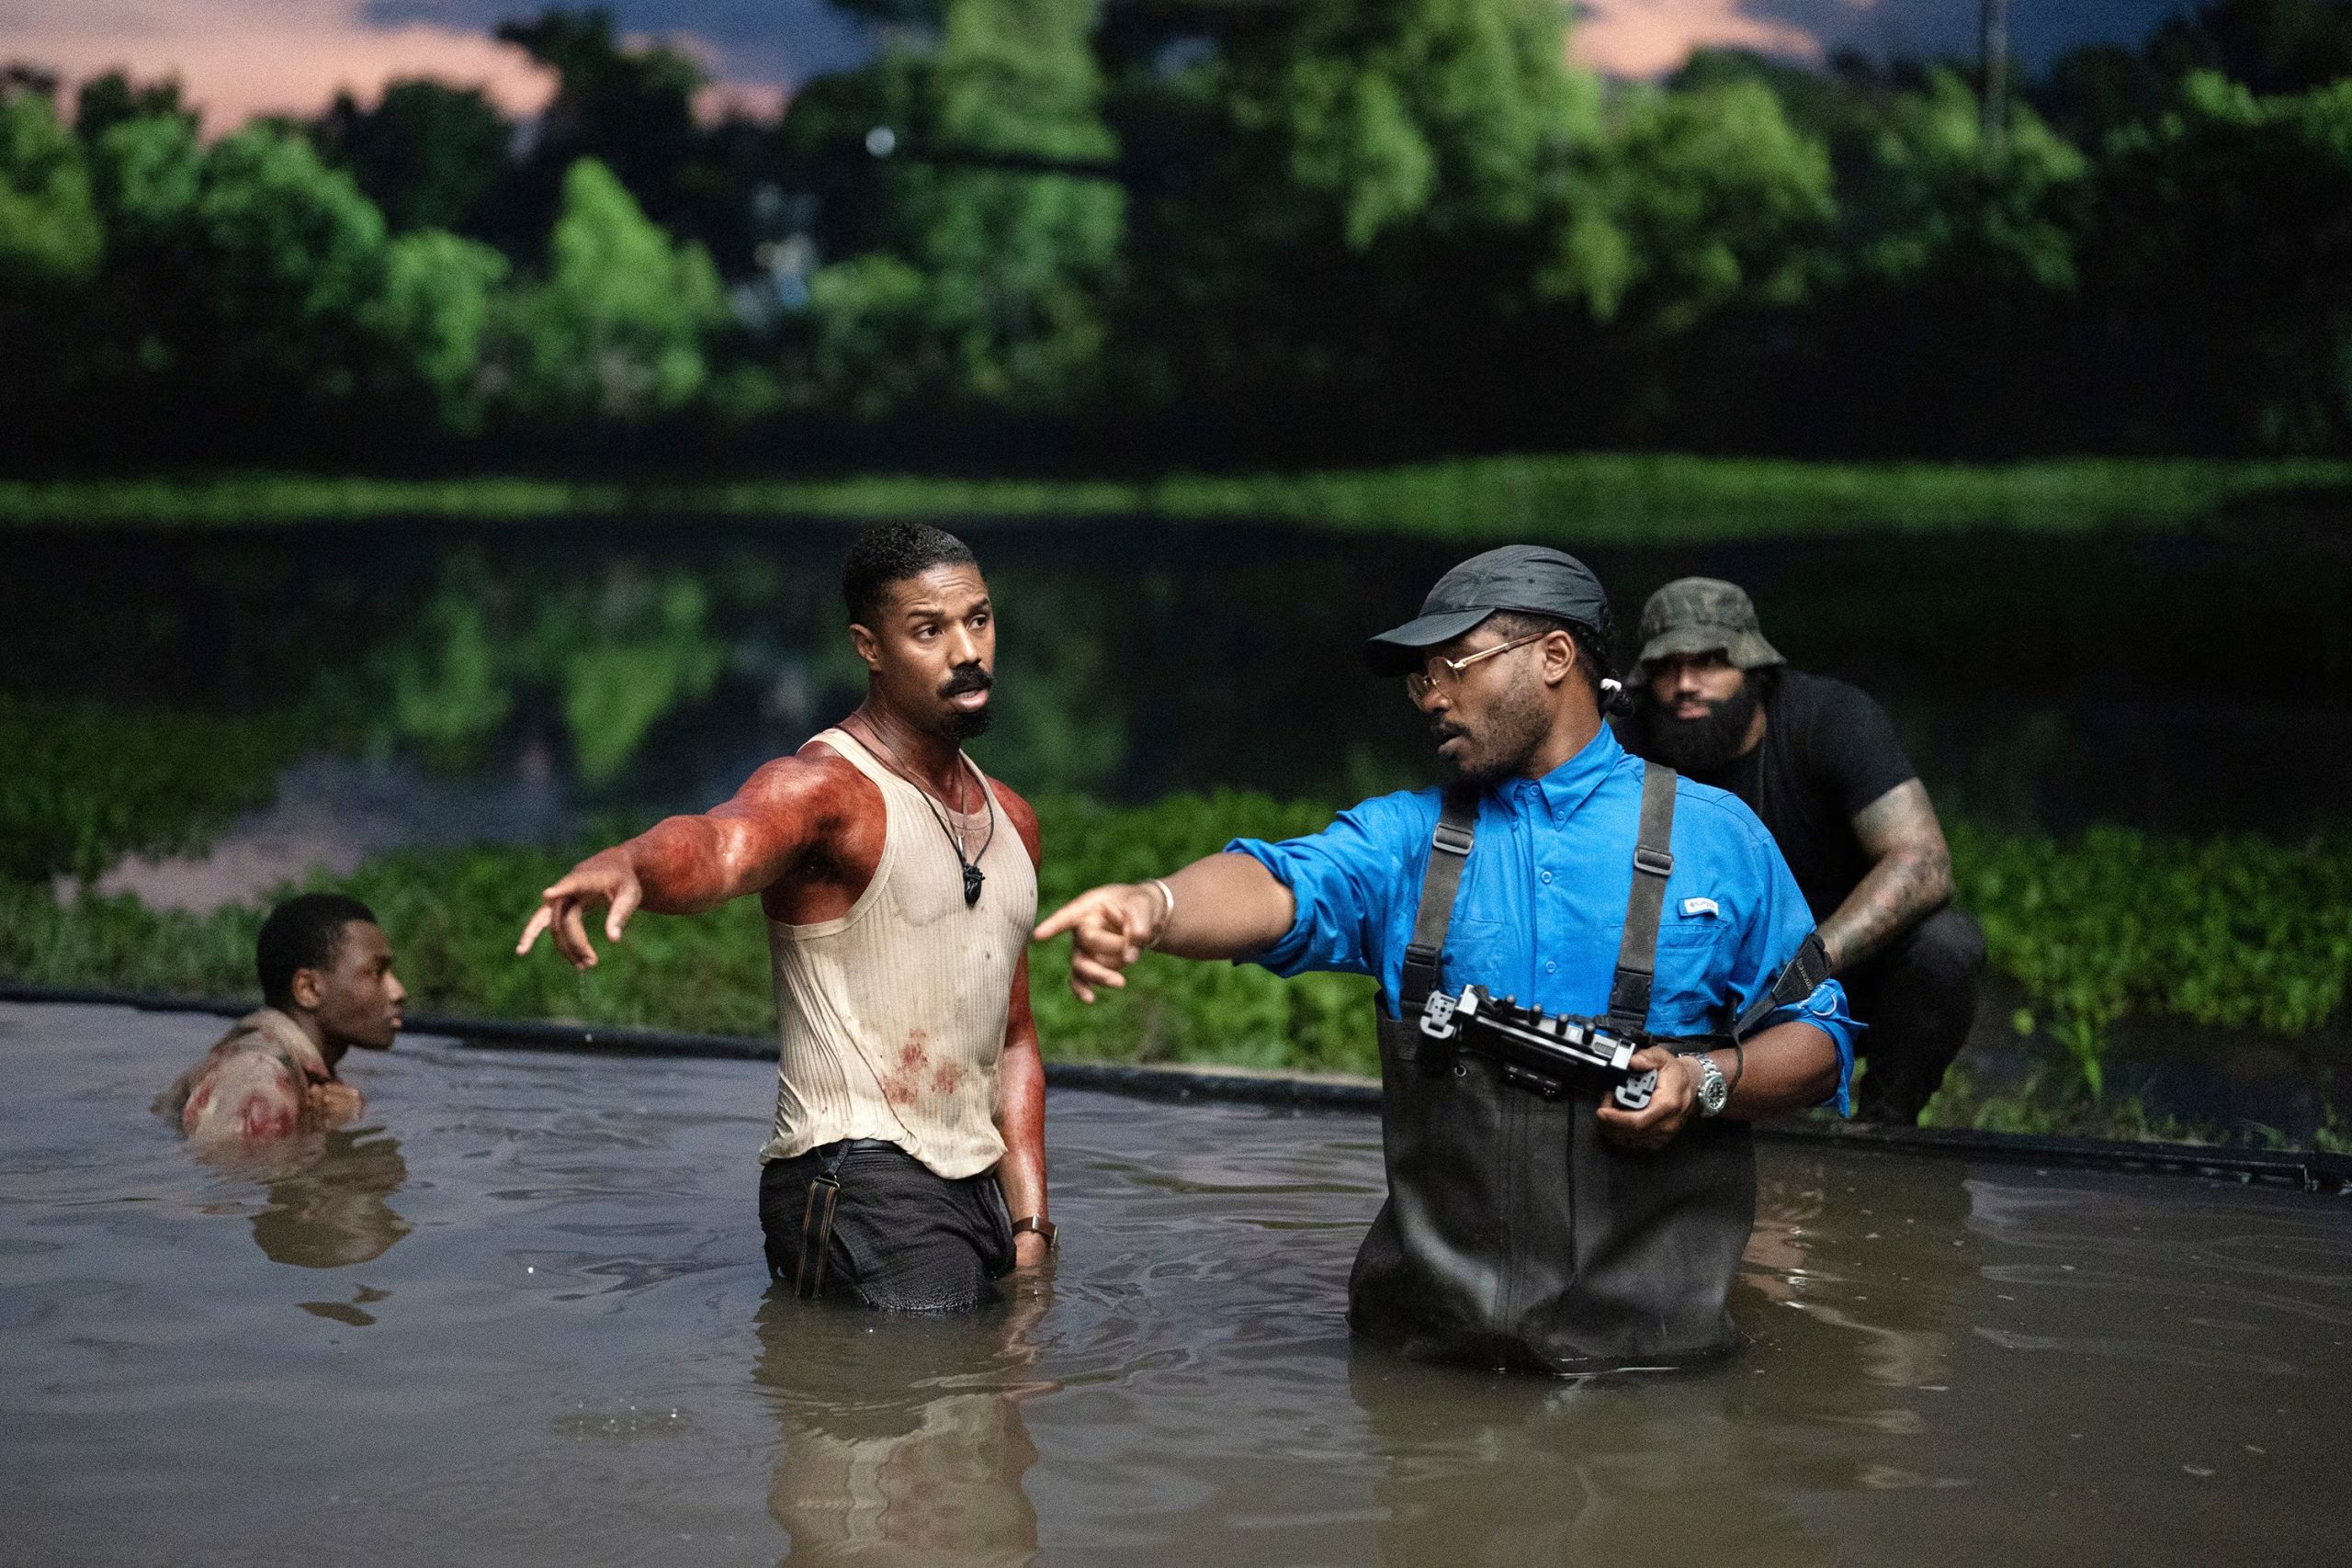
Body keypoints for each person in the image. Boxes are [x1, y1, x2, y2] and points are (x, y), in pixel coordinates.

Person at [1035, 545, 1859, 1373]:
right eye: (1418, 677)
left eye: (1453, 665)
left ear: (1555, 657)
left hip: (1655, 1369)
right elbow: (1279, 884)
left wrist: (1705, 1080)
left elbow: (1821, 1043)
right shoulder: (1406, 841)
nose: (1430, 696)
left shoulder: (1717, 838)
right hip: (1422, 1363)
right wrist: (1155, 904)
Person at [515, 522, 1051, 1313]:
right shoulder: (826, 789)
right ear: (869, 647)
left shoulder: (1012, 818)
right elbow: (722, 844)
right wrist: (631, 863)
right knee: (935, 1398)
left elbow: (1012, 1038)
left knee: (985, 1417)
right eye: (928, 631)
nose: (966, 651)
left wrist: (1032, 1223)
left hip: (975, 1192)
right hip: (856, 1174)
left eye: (978, 619)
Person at [1617, 577, 1985, 1123]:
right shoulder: (1629, 737)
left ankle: (1885, 1128)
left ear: (1755, 670)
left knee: (1946, 947)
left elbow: (1923, 861)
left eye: (1710, 663)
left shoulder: (1828, 718)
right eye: (1667, 667)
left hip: (1833, 968)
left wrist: (1811, 961)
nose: (1686, 684)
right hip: (1696, 976)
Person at [155, 892, 405, 1142]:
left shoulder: (301, 1072)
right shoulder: (259, 1077)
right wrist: (335, 1132)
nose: (398, 991)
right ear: (308, 989)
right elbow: (234, 1177)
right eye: (375, 972)